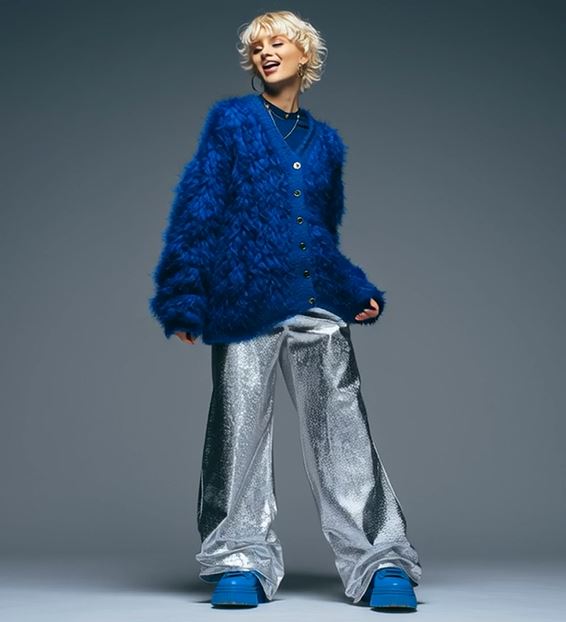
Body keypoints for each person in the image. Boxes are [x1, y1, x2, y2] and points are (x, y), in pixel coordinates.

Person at [148, 10, 422, 610]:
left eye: (277, 43)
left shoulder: (327, 144)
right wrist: (183, 293)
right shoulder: (233, 122)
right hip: (245, 302)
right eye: (256, 48)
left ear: (305, 55)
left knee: (343, 430)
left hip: (315, 301)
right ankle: (239, 559)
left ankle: (380, 560)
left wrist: (352, 288)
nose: (265, 53)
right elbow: (200, 203)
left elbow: (318, 234)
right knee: (238, 431)